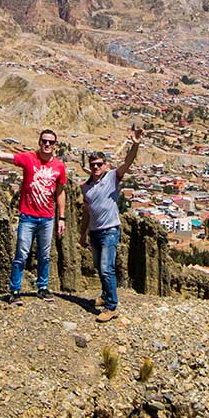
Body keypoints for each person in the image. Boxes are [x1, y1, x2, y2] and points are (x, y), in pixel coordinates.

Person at [0, 119, 66, 306]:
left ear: (55, 145)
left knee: (45, 255)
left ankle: (43, 287)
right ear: (39, 142)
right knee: (21, 255)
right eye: (44, 141)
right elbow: (1, 156)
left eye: (51, 142)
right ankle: (15, 290)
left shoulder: (59, 166)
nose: (47, 144)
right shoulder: (28, 158)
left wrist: (61, 217)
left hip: (47, 218)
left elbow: (60, 193)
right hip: (28, 217)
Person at [80, 124, 143, 322]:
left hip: (109, 231)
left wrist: (135, 145)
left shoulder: (112, 178)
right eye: (93, 165)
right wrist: (83, 233)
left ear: (105, 165)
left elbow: (128, 162)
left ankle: (111, 306)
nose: (96, 167)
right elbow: (87, 212)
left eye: (99, 164)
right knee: (100, 266)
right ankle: (106, 295)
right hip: (94, 232)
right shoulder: (85, 187)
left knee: (107, 267)